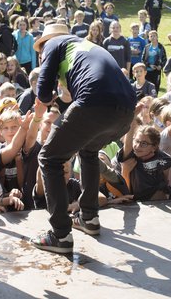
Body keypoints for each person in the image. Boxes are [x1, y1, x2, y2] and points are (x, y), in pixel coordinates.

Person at [30, 24, 135, 254]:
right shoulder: (86, 47)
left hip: (95, 102)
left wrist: (52, 93)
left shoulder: (53, 45)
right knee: (87, 149)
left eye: (40, 52)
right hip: (126, 110)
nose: (41, 55)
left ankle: (60, 235)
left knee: (49, 158)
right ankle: (89, 217)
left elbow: (43, 93)